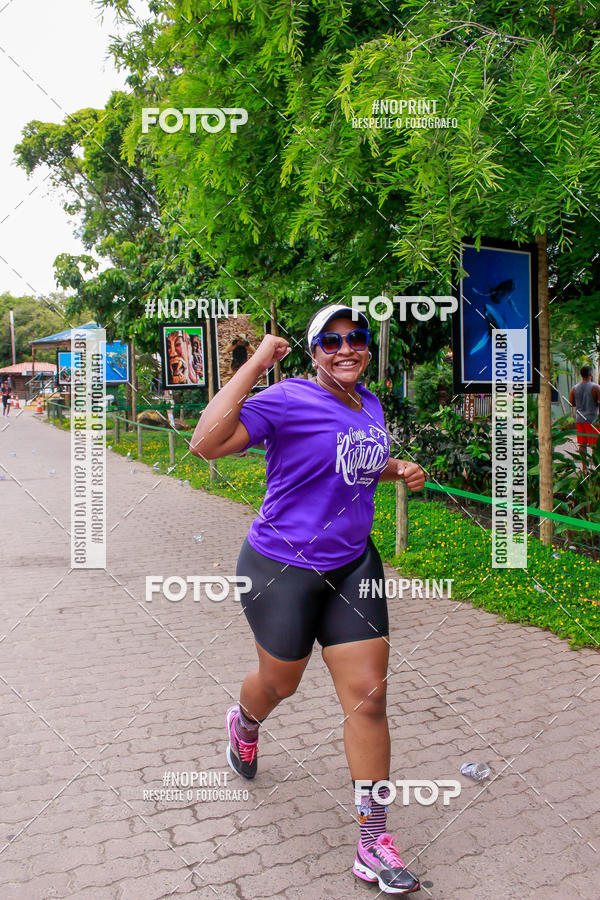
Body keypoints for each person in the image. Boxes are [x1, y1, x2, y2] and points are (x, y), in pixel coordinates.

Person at [191, 303, 425, 894]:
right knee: (280, 683)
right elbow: (206, 443)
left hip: (352, 565)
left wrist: (398, 469)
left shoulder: (367, 402)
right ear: (313, 351)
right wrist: (255, 364)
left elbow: (355, 465)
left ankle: (373, 842)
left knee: (369, 700)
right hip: (280, 568)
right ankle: (244, 721)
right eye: (331, 342)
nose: (346, 349)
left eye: (356, 338)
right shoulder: (288, 398)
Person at [569, 365, 600, 472]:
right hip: (593, 420)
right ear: (591, 374)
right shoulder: (596, 387)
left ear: (581, 375)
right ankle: (596, 469)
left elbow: (571, 403)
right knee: (595, 445)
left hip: (580, 420)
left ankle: (584, 469)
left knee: (582, 444)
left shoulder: (574, 388)